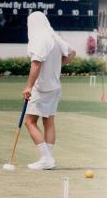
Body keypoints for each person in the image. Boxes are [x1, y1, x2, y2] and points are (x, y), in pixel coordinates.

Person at [22, 11, 76, 170]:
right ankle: (48, 158)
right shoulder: (54, 37)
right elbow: (72, 53)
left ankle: (46, 158)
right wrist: (58, 64)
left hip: (42, 88)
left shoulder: (39, 39)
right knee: (48, 121)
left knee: (29, 122)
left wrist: (29, 86)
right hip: (55, 87)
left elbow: (36, 64)